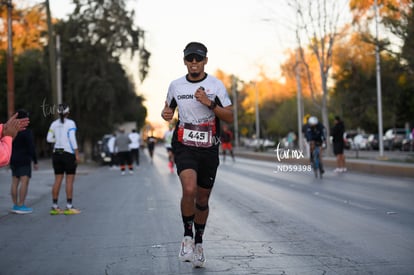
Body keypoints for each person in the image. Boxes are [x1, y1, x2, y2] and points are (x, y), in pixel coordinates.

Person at [161, 41, 233, 268]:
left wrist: (209, 103)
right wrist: (165, 113)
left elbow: (230, 116)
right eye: (190, 59)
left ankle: (199, 243)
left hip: (209, 147)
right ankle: (186, 237)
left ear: (205, 61)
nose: (194, 63)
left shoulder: (216, 85)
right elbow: (168, 110)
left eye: (198, 59)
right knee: (189, 189)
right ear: (184, 61)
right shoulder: (176, 85)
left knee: (202, 200)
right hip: (184, 145)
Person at [46, 103, 81, 215]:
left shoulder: (53, 124)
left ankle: (54, 207)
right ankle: (69, 207)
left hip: (57, 153)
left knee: (57, 180)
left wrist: (58, 140)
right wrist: (76, 154)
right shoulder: (71, 123)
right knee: (69, 181)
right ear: (68, 113)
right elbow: (72, 139)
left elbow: (49, 138)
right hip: (68, 154)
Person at [10, 110, 38, 214]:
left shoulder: (12, 131)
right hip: (24, 160)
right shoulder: (27, 132)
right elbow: (31, 147)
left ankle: (15, 204)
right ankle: (21, 205)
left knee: (14, 182)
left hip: (13, 159)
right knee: (24, 182)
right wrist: (35, 161)